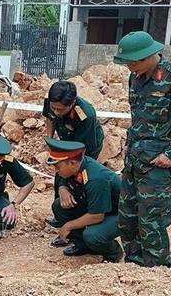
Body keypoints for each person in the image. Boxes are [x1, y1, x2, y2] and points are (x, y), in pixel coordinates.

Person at [114, 31, 171, 267]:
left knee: (152, 219)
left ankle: (156, 269)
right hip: (136, 159)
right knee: (127, 217)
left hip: (158, 163)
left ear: (148, 56)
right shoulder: (135, 78)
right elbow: (136, 117)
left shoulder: (168, 76)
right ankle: (134, 266)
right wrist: (128, 144)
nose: (129, 68)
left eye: (132, 62)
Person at [45, 137, 123, 263]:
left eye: (58, 167)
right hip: (99, 207)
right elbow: (65, 179)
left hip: (121, 213)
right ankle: (84, 246)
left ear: (71, 163)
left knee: (92, 236)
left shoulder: (95, 178)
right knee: (59, 206)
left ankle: (112, 253)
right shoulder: (77, 166)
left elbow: (97, 216)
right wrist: (63, 189)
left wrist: (68, 226)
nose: (56, 171)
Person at [42, 80, 104, 229]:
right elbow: (50, 118)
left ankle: (79, 219)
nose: (56, 112)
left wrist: (67, 166)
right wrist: (50, 140)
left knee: (77, 178)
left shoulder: (85, 115)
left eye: (61, 110)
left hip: (86, 146)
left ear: (72, 103)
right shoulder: (51, 100)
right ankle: (61, 214)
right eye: (54, 107)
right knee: (60, 173)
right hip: (65, 141)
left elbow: (80, 150)